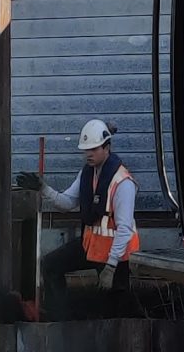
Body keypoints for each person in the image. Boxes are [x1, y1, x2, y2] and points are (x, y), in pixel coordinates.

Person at [37, 119, 137, 314]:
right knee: (50, 265)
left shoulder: (123, 183)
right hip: (90, 246)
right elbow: (67, 202)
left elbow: (124, 229)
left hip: (114, 255)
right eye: (86, 150)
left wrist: (111, 267)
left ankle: (138, 323)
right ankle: (59, 318)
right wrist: (43, 188)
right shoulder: (86, 174)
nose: (88, 154)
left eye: (94, 149)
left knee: (116, 308)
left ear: (107, 147)